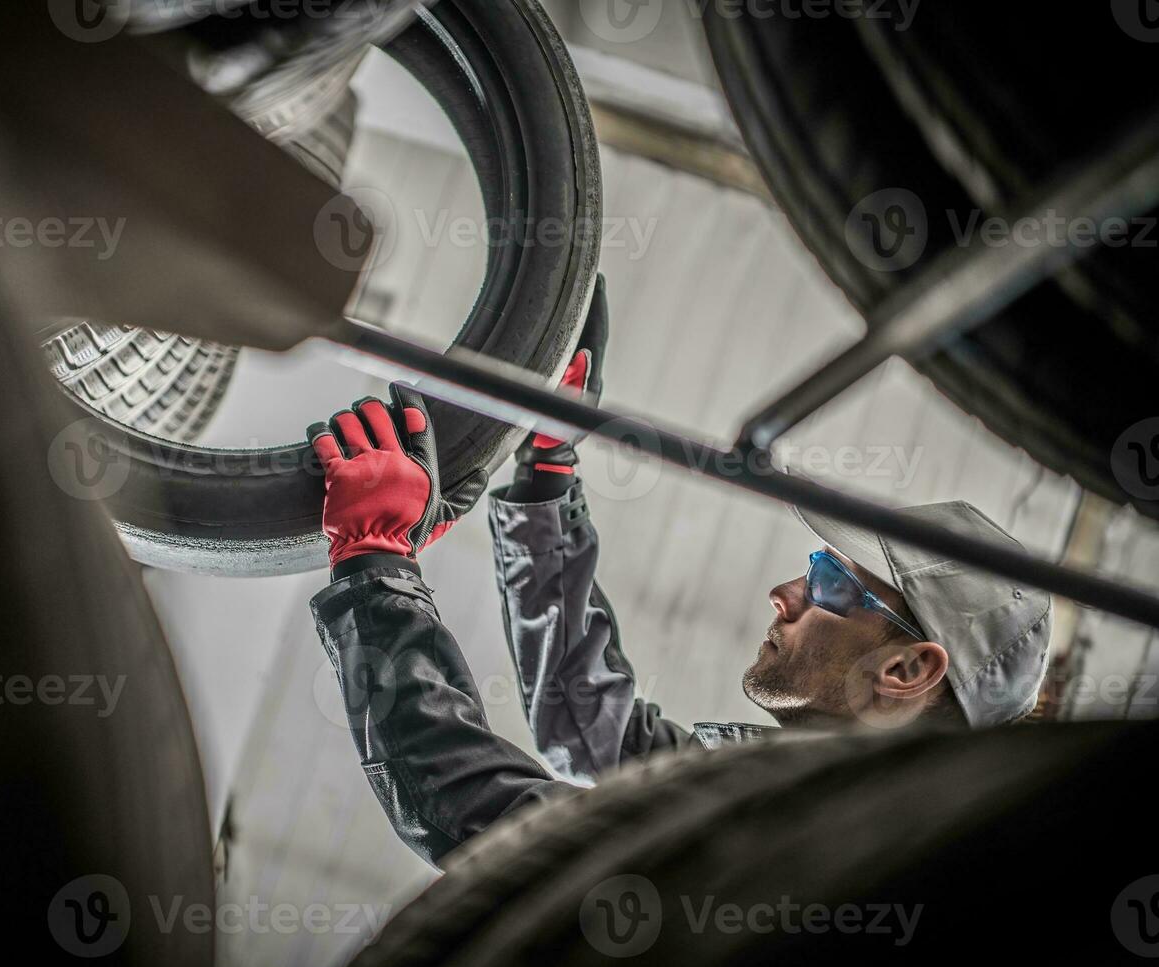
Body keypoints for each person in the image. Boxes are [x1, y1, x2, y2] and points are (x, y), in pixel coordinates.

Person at [306, 276, 1052, 867]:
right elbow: (588, 729)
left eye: (830, 583)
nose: (785, 595)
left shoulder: (818, 848)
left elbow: (497, 835)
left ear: (908, 669)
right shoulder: (773, 783)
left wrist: (375, 562)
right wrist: (545, 481)